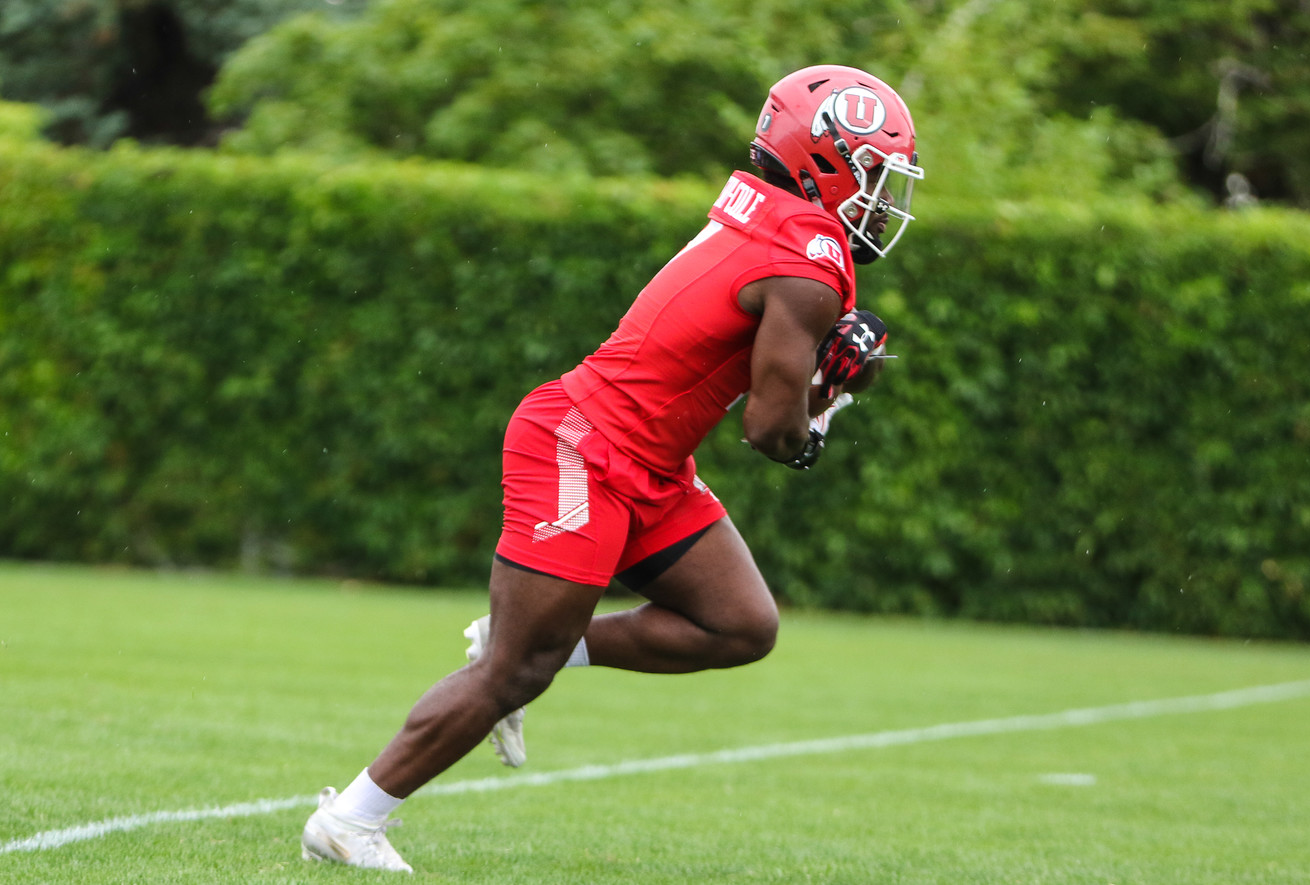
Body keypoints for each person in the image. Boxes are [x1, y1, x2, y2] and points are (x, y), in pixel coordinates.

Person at [300, 63, 924, 873]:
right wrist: (825, 411)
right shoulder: (809, 257)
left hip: (648, 457)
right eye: (873, 173)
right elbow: (773, 429)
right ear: (825, 157)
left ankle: (543, 642)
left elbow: (763, 367)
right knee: (515, 671)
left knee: (741, 623)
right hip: (582, 443)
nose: (881, 199)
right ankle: (350, 817)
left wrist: (828, 377)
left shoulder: (769, 215)